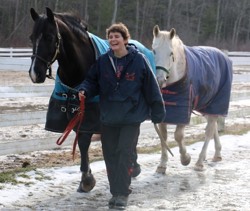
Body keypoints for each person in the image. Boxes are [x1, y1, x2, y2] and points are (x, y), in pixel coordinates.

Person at [78, 22, 165, 209]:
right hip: (108, 117)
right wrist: (85, 90)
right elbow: (91, 81)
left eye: (117, 36)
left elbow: (151, 87)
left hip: (131, 118)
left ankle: (122, 194)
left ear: (125, 40)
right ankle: (115, 192)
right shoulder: (102, 62)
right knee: (110, 156)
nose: (113, 39)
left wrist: (157, 111)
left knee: (124, 154)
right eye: (110, 37)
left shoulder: (139, 61)